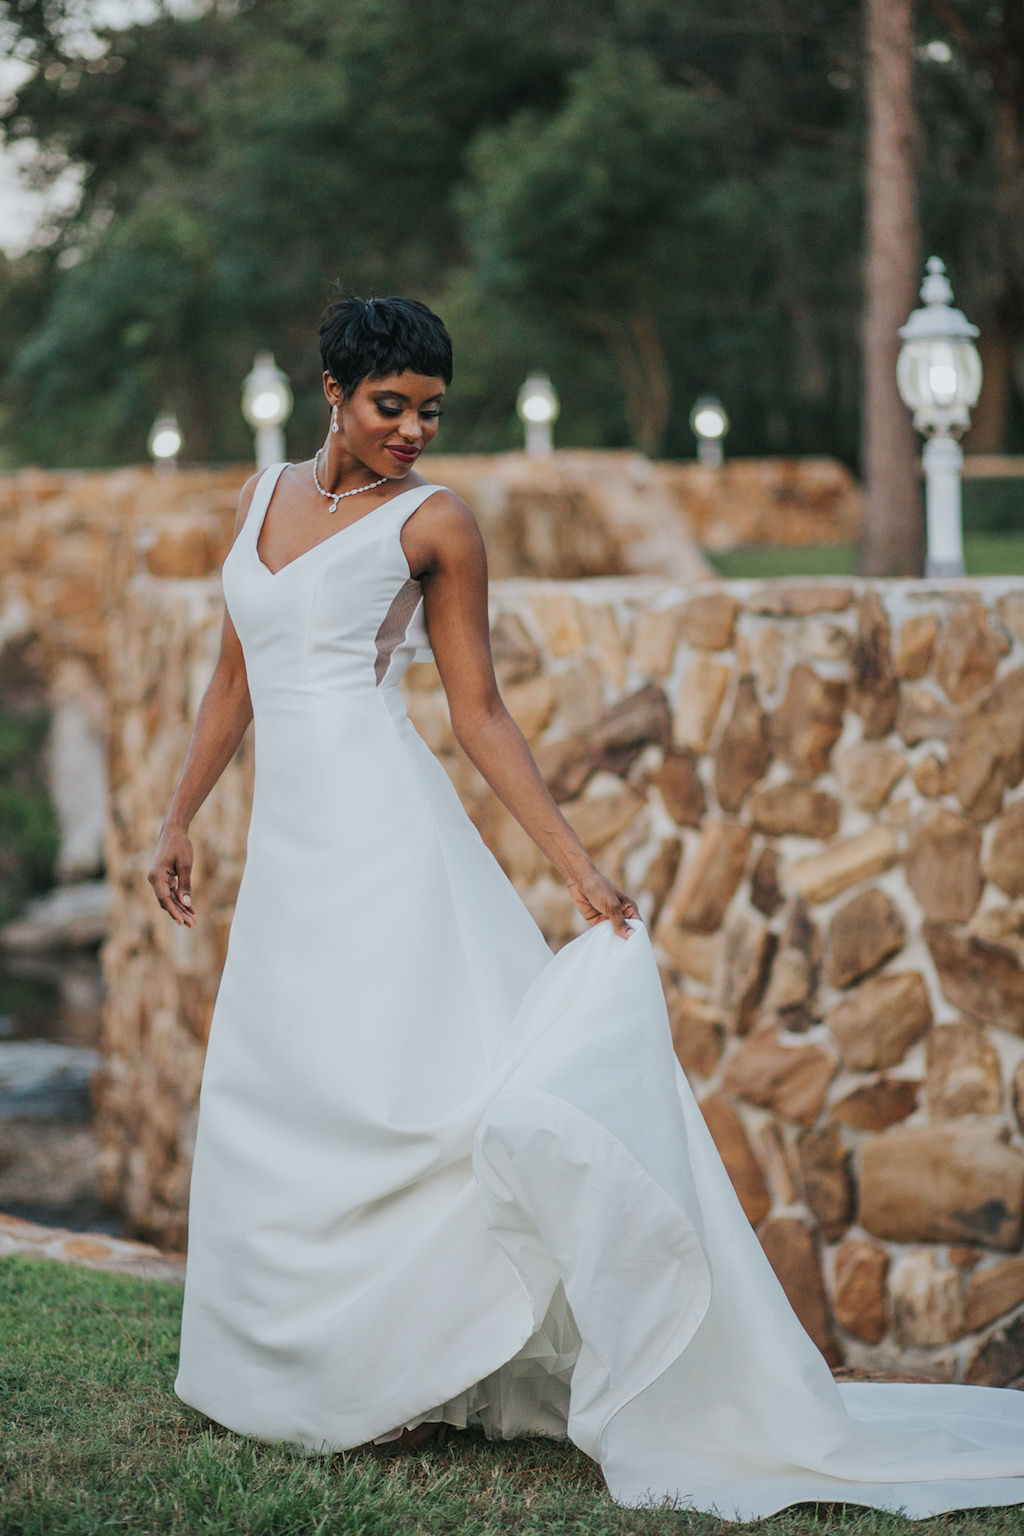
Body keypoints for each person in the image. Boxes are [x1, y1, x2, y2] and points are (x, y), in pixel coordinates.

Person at [151, 295, 1024, 1519]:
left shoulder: (436, 523)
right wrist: (177, 815)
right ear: (333, 395)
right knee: (289, 1078)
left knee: (415, 1090)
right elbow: (230, 683)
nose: (412, 429)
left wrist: (573, 868)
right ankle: (303, 1362)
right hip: (293, 849)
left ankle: (413, 1367)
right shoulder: (258, 504)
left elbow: (481, 714)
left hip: (390, 837)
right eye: (390, 406)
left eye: (430, 411)